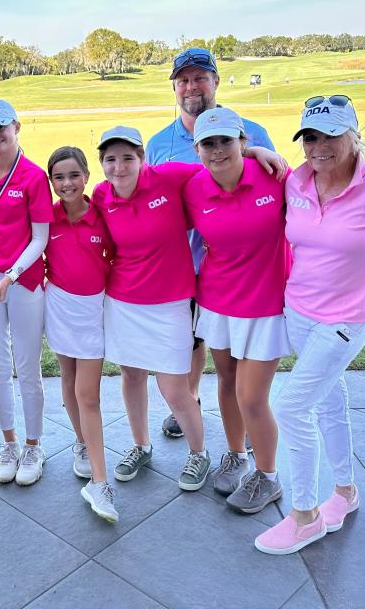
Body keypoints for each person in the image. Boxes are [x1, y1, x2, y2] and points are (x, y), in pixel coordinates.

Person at [255, 95, 365, 555]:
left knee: (293, 407)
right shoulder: (296, 182)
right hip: (297, 313)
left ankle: (304, 517)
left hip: (346, 322)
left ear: (355, 136)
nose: (319, 147)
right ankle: (345, 492)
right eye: (310, 137)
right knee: (330, 400)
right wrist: (256, 149)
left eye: (331, 135)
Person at [93, 126, 284, 489]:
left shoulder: (169, 177)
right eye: (110, 159)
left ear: (142, 159)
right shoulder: (102, 197)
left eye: (128, 158)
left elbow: (220, 166)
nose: (119, 167)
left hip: (171, 301)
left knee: (174, 388)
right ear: (102, 164)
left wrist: (257, 152)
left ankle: (199, 453)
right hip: (123, 302)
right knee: (131, 377)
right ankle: (140, 445)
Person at [146, 47, 275, 441]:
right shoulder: (159, 143)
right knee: (192, 340)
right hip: (184, 263)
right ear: (174, 87)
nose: (191, 87)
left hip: (239, 267)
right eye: (183, 80)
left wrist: (253, 149)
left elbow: (273, 185)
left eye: (200, 77)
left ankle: (251, 423)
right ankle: (191, 399)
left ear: (216, 81)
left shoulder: (251, 131)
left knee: (238, 356)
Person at [182, 107, 291, 514]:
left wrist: (265, 151)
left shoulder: (274, 175)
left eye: (226, 141)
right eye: (208, 143)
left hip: (265, 305)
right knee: (226, 383)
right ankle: (236, 454)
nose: (217, 151)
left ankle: (268, 475)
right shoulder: (192, 187)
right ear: (197, 149)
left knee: (252, 397)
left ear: (242, 142)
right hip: (217, 301)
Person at [0, 98, 51, 486]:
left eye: (0, 128)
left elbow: (40, 239)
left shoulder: (33, 176)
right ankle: (10, 443)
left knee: (28, 367)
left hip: (24, 282)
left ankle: (34, 445)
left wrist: (11, 276)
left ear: (16, 126)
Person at [44, 146, 117, 522]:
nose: (67, 183)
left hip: (93, 311)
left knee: (88, 394)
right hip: (59, 306)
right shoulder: (47, 218)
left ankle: (101, 482)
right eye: (58, 177)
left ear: (87, 176)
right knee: (69, 378)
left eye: (73, 175)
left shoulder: (102, 215)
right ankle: (81, 442)